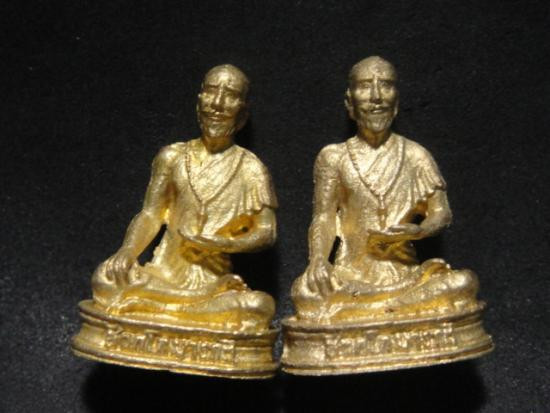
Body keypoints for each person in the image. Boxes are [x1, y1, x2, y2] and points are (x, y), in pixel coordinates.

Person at [292, 56, 479, 322]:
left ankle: (364, 311)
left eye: (386, 85)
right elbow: (324, 216)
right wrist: (318, 261)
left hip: (405, 274)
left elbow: (441, 213)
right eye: (365, 86)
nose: (376, 96)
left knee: (463, 283)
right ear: (350, 102)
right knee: (304, 291)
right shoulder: (333, 157)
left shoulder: (415, 155)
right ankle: (392, 311)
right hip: (349, 274)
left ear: (397, 102)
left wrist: (419, 230)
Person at [91, 64, 277, 332]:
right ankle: (187, 308)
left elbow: (267, 232)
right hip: (163, 274)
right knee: (105, 278)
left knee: (259, 306)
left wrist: (219, 242)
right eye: (211, 92)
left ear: (243, 112)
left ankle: (156, 308)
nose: (218, 104)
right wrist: (128, 251)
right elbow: (151, 214)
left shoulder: (251, 168)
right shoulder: (172, 157)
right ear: (199, 101)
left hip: (215, 281)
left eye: (230, 95)